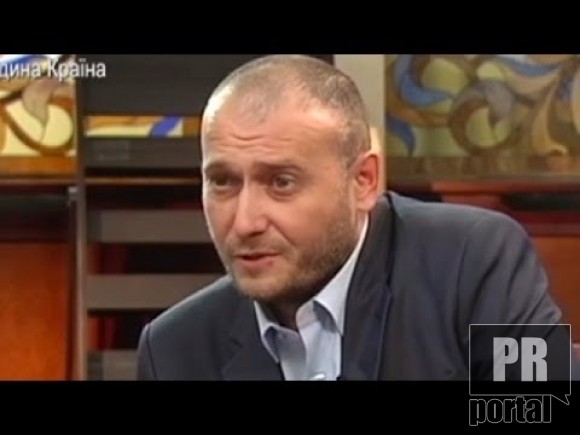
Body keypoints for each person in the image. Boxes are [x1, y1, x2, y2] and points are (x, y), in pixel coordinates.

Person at [136, 54, 577, 381]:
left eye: (282, 182)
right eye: (223, 182)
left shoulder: (476, 260)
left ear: (363, 181)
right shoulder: (172, 350)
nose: (245, 221)